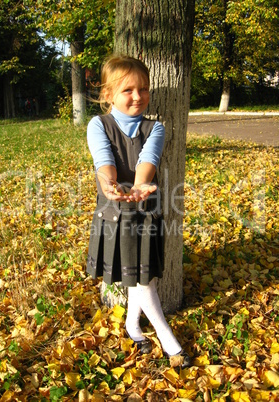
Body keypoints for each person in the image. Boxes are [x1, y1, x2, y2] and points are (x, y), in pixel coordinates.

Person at [86, 55, 191, 368]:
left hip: (145, 212)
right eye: (128, 90)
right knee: (141, 281)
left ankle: (133, 327)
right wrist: (110, 184)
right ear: (108, 95)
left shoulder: (155, 126)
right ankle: (169, 342)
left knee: (141, 277)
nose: (137, 96)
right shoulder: (98, 124)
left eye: (143, 89)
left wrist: (139, 187)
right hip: (114, 216)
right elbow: (103, 159)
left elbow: (149, 159)